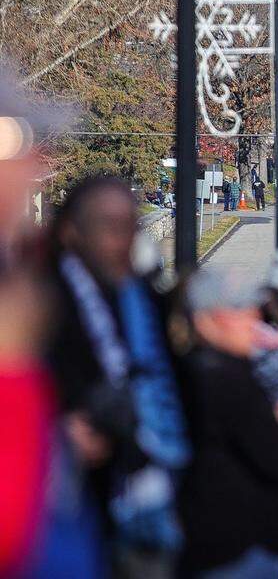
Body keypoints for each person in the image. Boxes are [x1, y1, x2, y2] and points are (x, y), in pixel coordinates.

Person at [45, 177, 191, 576]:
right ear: (72, 232)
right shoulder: (44, 302)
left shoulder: (143, 296)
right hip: (74, 501)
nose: (123, 239)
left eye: (130, 226)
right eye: (109, 226)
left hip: (151, 482)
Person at [178, 269, 278, 578]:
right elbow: (275, 454)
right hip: (235, 546)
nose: (253, 318)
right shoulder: (224, 377)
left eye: (252, 309)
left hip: (234, 543)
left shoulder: (211, 369)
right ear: (206, 321)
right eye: (239, 311)